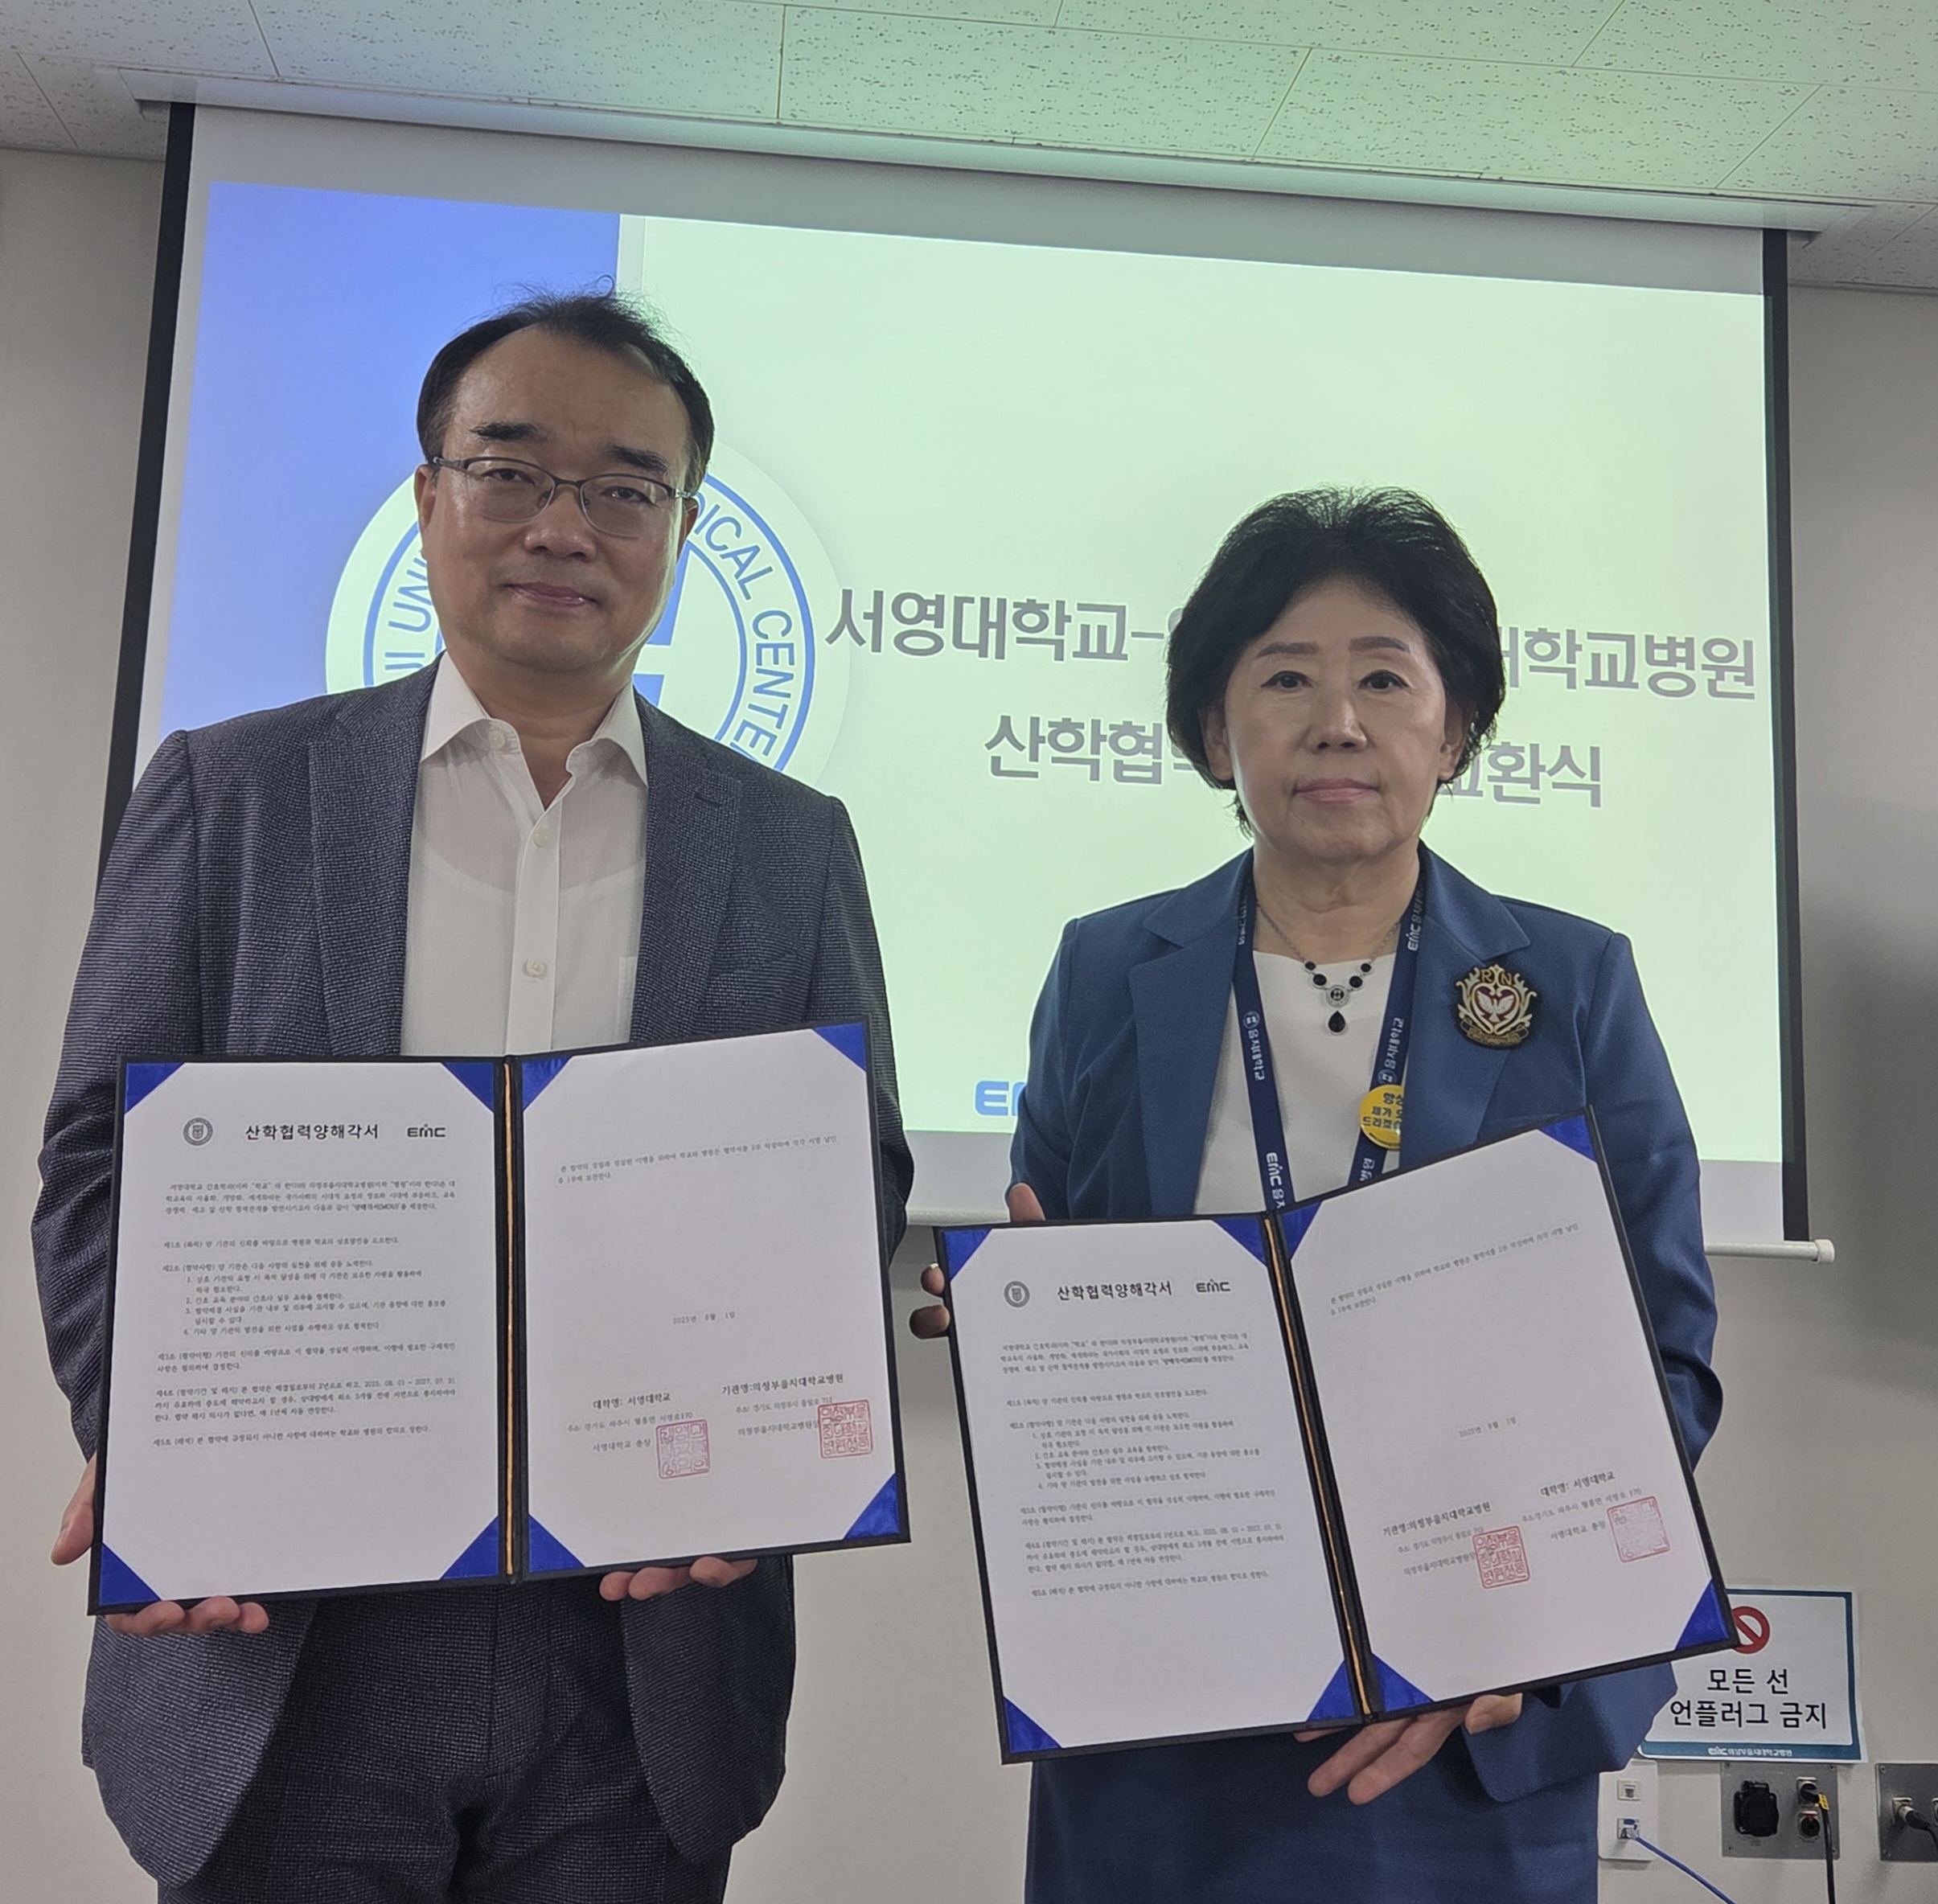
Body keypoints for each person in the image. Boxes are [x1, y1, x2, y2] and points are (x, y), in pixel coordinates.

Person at [37, 291, 911, 1902]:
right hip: (295, 1632)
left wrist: (767, 1452)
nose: (563, 525)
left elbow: (843, 1170)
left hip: (637, 1643)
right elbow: (100, 1156)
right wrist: (157, 1447)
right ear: (429, 495)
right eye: (510, 470)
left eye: (626, 487)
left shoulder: (789, 843)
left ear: (683, 530)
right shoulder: (232, 791)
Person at [913, 486, 1719, 1900]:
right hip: (1170, 1696)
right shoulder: (1108, 969)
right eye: (1284, 678)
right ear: (1212, 731)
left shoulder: (1571, 982)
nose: (1336, 722)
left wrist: (1507, 1640)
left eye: (1384, 681)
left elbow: (1666, 1357)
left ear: (1454, 730)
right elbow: (1063, 1274)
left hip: (1463, 1713)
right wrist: (1019, 1330)